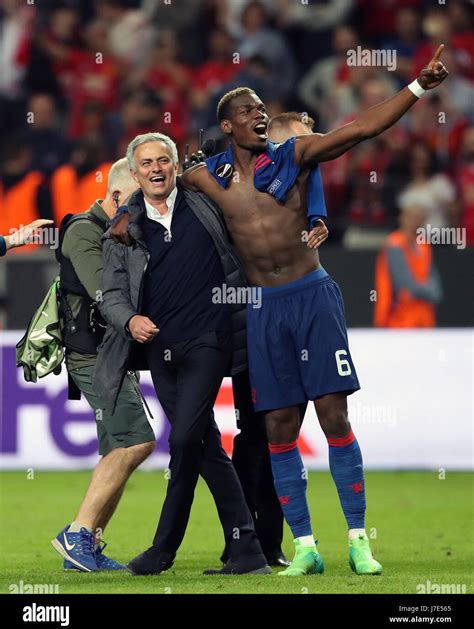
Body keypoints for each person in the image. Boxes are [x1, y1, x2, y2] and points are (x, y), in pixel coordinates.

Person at [165, 46, 447, 576]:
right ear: (227, 124)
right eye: (248, 111)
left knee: (334, 415)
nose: (260, 116)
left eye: (262, 110)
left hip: (312, 296)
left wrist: (417, 88)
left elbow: (360, 129)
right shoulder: (207, 177)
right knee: (277, 426)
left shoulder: (292, 156)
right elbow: (156, 183)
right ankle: (306, 547)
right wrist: (113, 217)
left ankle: (360, 541)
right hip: (263, 308)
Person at [94, 132, 270, 576]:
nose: (156, 170)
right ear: (134, 175)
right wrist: (129, 320)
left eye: (163, 162)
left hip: (210, 339)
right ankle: (247, 548)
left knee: (186, 439)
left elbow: (227, 164)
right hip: (159, 350)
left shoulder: (203, 202)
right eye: (147, 164)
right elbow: (110, 295)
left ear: (176, 167)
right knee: (204, 443)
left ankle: (163, 548)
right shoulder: (123, 230)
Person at [227, 111, 323, 569]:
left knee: (276, 436)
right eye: (301, 141)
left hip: (279, 320)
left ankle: (271, 542)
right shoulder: (223, 177)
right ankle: (245, 542)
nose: (308, 150)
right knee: (254, 437)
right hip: (244, 327)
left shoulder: (300, 183)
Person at [50, 158, 156, 572]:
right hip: (92, 355)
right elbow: (106, 294)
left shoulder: (118, 232)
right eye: (137, 199)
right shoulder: (82, 231)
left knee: (117, 445)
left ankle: (87, 545)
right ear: (116, 196)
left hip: (110, 353)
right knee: (136, 441)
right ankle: (77, 533)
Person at [374, 200, 442, 328]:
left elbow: (434, 279)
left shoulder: (424, 245)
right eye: (412, 217)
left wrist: (432, 292)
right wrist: (429, 292)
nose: (416, 221)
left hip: (424, 318)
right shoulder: (394, 244)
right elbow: (404, 283)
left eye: (420, 218)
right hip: (398, 319)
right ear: (402, 218)